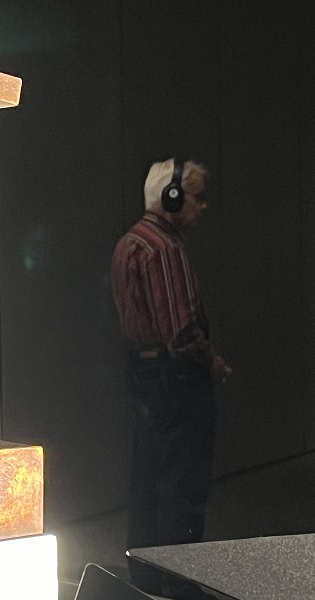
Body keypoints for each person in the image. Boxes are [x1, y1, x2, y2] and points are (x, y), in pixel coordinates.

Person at [111, 157, 232, 598]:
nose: (202, 206)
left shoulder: (129, 242)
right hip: (175, 380)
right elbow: (181, 332)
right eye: (196, 197)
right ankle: (180, 586)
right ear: (172, 197)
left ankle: (146, 581)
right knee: (183, 487)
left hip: (144, 374)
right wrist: (213, 362)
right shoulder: (165, 249)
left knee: (148, 483)